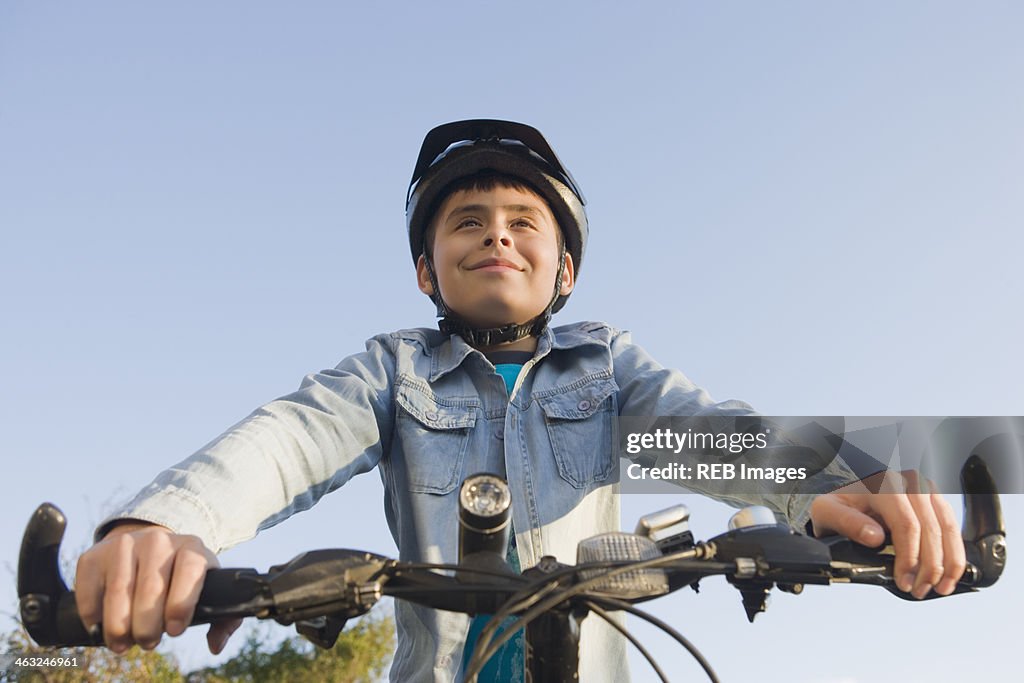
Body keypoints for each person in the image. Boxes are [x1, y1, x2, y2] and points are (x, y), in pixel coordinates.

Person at [73, 119, 966, 682]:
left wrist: (831, 483)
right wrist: (167, 523)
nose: (495, 231)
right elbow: (291, 438)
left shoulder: (606, 362)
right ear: (426, 268)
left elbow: (700, 430)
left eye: (521, 220)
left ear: (562, 267)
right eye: (466, 221)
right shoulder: (395, 366)